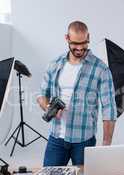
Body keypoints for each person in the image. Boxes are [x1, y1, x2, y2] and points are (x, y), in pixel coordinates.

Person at [37, 21, 117, 166]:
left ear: (89, 38)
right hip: (56, 139)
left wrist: (106, 145)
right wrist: (49, 106)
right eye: (75, 43)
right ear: (67, 38)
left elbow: (109, 108)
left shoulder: (101, 69)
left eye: (84, 43)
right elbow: (41, 94)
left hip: (84, 141)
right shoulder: (54, 64)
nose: (80, 48)